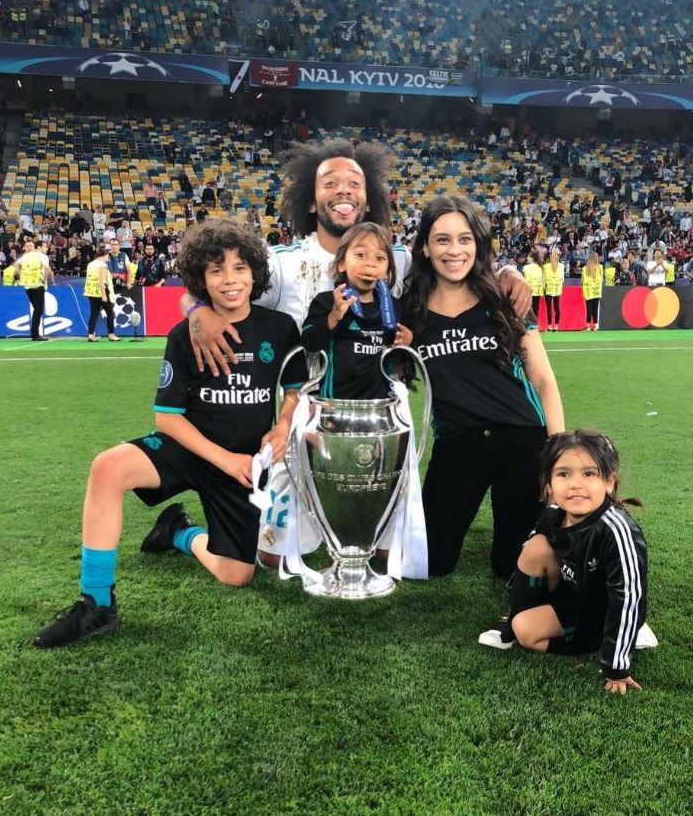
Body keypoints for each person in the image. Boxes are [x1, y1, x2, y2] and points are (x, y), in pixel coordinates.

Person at [181, 140, 531, 563]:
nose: (344, 190)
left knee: (390, 554)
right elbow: (217, 287)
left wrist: (511, 272)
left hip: (379, 418)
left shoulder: (397, 258)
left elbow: (459, 261)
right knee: (268, 558)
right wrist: (199, 313)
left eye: (355, 183)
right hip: (308, 422)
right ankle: (182, 532)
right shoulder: (283, 262)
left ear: (369, 199)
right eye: (330, 183)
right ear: (311, 200)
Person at [33, 221, 307, 648]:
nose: (230, 280)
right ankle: (97, 604)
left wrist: (283, 423)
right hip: (191, 449)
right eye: (216, 271)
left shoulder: (280, 329)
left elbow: (293, 390)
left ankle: (177, 531)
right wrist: (223, 458)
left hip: (242, 467)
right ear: (201, 279)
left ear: (256, 272)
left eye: (239, 268)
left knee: (237, 575)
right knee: (107, 468)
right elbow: (168, 418)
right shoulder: (185, 334)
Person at [401, 195, 564, 579]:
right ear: (424, 247)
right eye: (442, 240)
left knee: (511, 568)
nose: (453, 250)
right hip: (458, 445)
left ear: (477, 244)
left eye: (464, 239)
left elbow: (543, 379)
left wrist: (556, 457)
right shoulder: (410, 310)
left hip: (522, 441)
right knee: (431, 563)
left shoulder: (505, 297)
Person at [478, 429, 649, 695]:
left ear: (609, 482)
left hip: (601, 611)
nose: (575, 484)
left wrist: (616, 668)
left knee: (528, 633)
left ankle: (609, 640)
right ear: (548, 484)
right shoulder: (553, 514)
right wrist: (518, 608)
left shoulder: (616, 530)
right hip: (572, 594)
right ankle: (512, 618)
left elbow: (627, 595)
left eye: (589, 474)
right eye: (563, 474)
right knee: (536, 547)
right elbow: (528, 560)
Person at [302, 222, 412, 399]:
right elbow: (309, 342)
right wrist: (332, 318)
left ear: (387, 270)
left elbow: (394, 350)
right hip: (335, 405)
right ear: (341, 264)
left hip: (379, 407)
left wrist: (406, 340)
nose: (370, 263)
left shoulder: (392, 305)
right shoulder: (328, 301)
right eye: (360, 255)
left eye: (380, 258)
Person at [12, 238, 53, 341]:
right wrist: (47, 279)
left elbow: (16, 265)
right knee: (38, 310)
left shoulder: (25, 256)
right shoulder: (42, 256)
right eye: (28, 246)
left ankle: (34, 332)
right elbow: (47, 268)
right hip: (38, 285)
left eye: (31, 246)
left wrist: (21, 275)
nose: (29, 247)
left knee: (36, 309)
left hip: (27, 285)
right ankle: (35, 334)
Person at [83, 245, 120, 343]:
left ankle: (91, 335)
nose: (108, 258)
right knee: (110, 314)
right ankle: (111, 334)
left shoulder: (90, 264)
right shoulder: (102, 265)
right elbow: (101, 280)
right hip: (101, 292)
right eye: (107, 256)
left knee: (94, 314)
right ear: (104, 255)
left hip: (91, 292)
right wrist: (104, 295)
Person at [542, 248, 564, 331]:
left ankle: (550, 325)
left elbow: (543, 279)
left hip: (548, 288)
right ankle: (556, 325)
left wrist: (543, 287)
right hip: (557, 288)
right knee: (556, 307)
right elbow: (562, 279)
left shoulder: (545, 266)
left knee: (549, 308)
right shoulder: (561, 266)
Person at [521, 249, 544, 326]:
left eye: (528, 256)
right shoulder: (540, 267)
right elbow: (542, 280)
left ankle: (528, 325)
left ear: (531, 258)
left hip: (528, 291)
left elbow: (522, 279)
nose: (527, 258)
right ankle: (535, 325)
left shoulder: (525, 267)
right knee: (535, 308)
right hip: (537, 291)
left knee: (527, 309)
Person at [582, 252, 603, 332]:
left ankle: (587, 326)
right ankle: (595, 325)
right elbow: (601, 280)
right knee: (595, 308)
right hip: (597, 290)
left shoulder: (584, 268)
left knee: (589, 308)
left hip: (588, 290)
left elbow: (583, 280)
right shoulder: (600, 267)